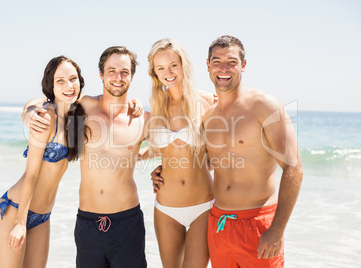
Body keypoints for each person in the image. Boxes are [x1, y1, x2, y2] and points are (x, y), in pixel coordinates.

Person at [23, 46, 149, 268]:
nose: (118, 77)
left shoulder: (143, 119)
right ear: (101, 75)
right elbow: (48, 100)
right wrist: (30, 112)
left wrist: (161, 171)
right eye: (112, 70)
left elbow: (174, 146)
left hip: (127, 223)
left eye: (124, 71)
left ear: (131, 76)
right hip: (88, 224)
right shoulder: (84, 106)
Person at [203, 35, 303, 267]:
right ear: (207, 66)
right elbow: (208, 162)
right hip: (219, 224)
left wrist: (276, 230)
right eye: (217, 61)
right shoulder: (208, 116)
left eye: (232, 62)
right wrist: (164, 171)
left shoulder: (264, 105)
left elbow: (293, 168)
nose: (223, 68)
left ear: (243, 65)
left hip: (258, 225)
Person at [0, 56, 89, 267]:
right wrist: (19, 223)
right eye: (60, 81)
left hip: (43, 217)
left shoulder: (76, 118)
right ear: (51, 86)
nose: (68, 85)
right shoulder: (44, 117)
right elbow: (32, 174)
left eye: (73, 79)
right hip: (15, 210)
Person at [144, 38, 216, 268]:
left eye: (173, 65)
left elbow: (219, 154)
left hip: (203, 207)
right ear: (155, 73)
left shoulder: (207, 101)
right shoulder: (155, 104)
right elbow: (157, 149)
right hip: (166, 208)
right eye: (161, 68)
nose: (168, 72)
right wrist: (150, 166)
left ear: (184, 64)